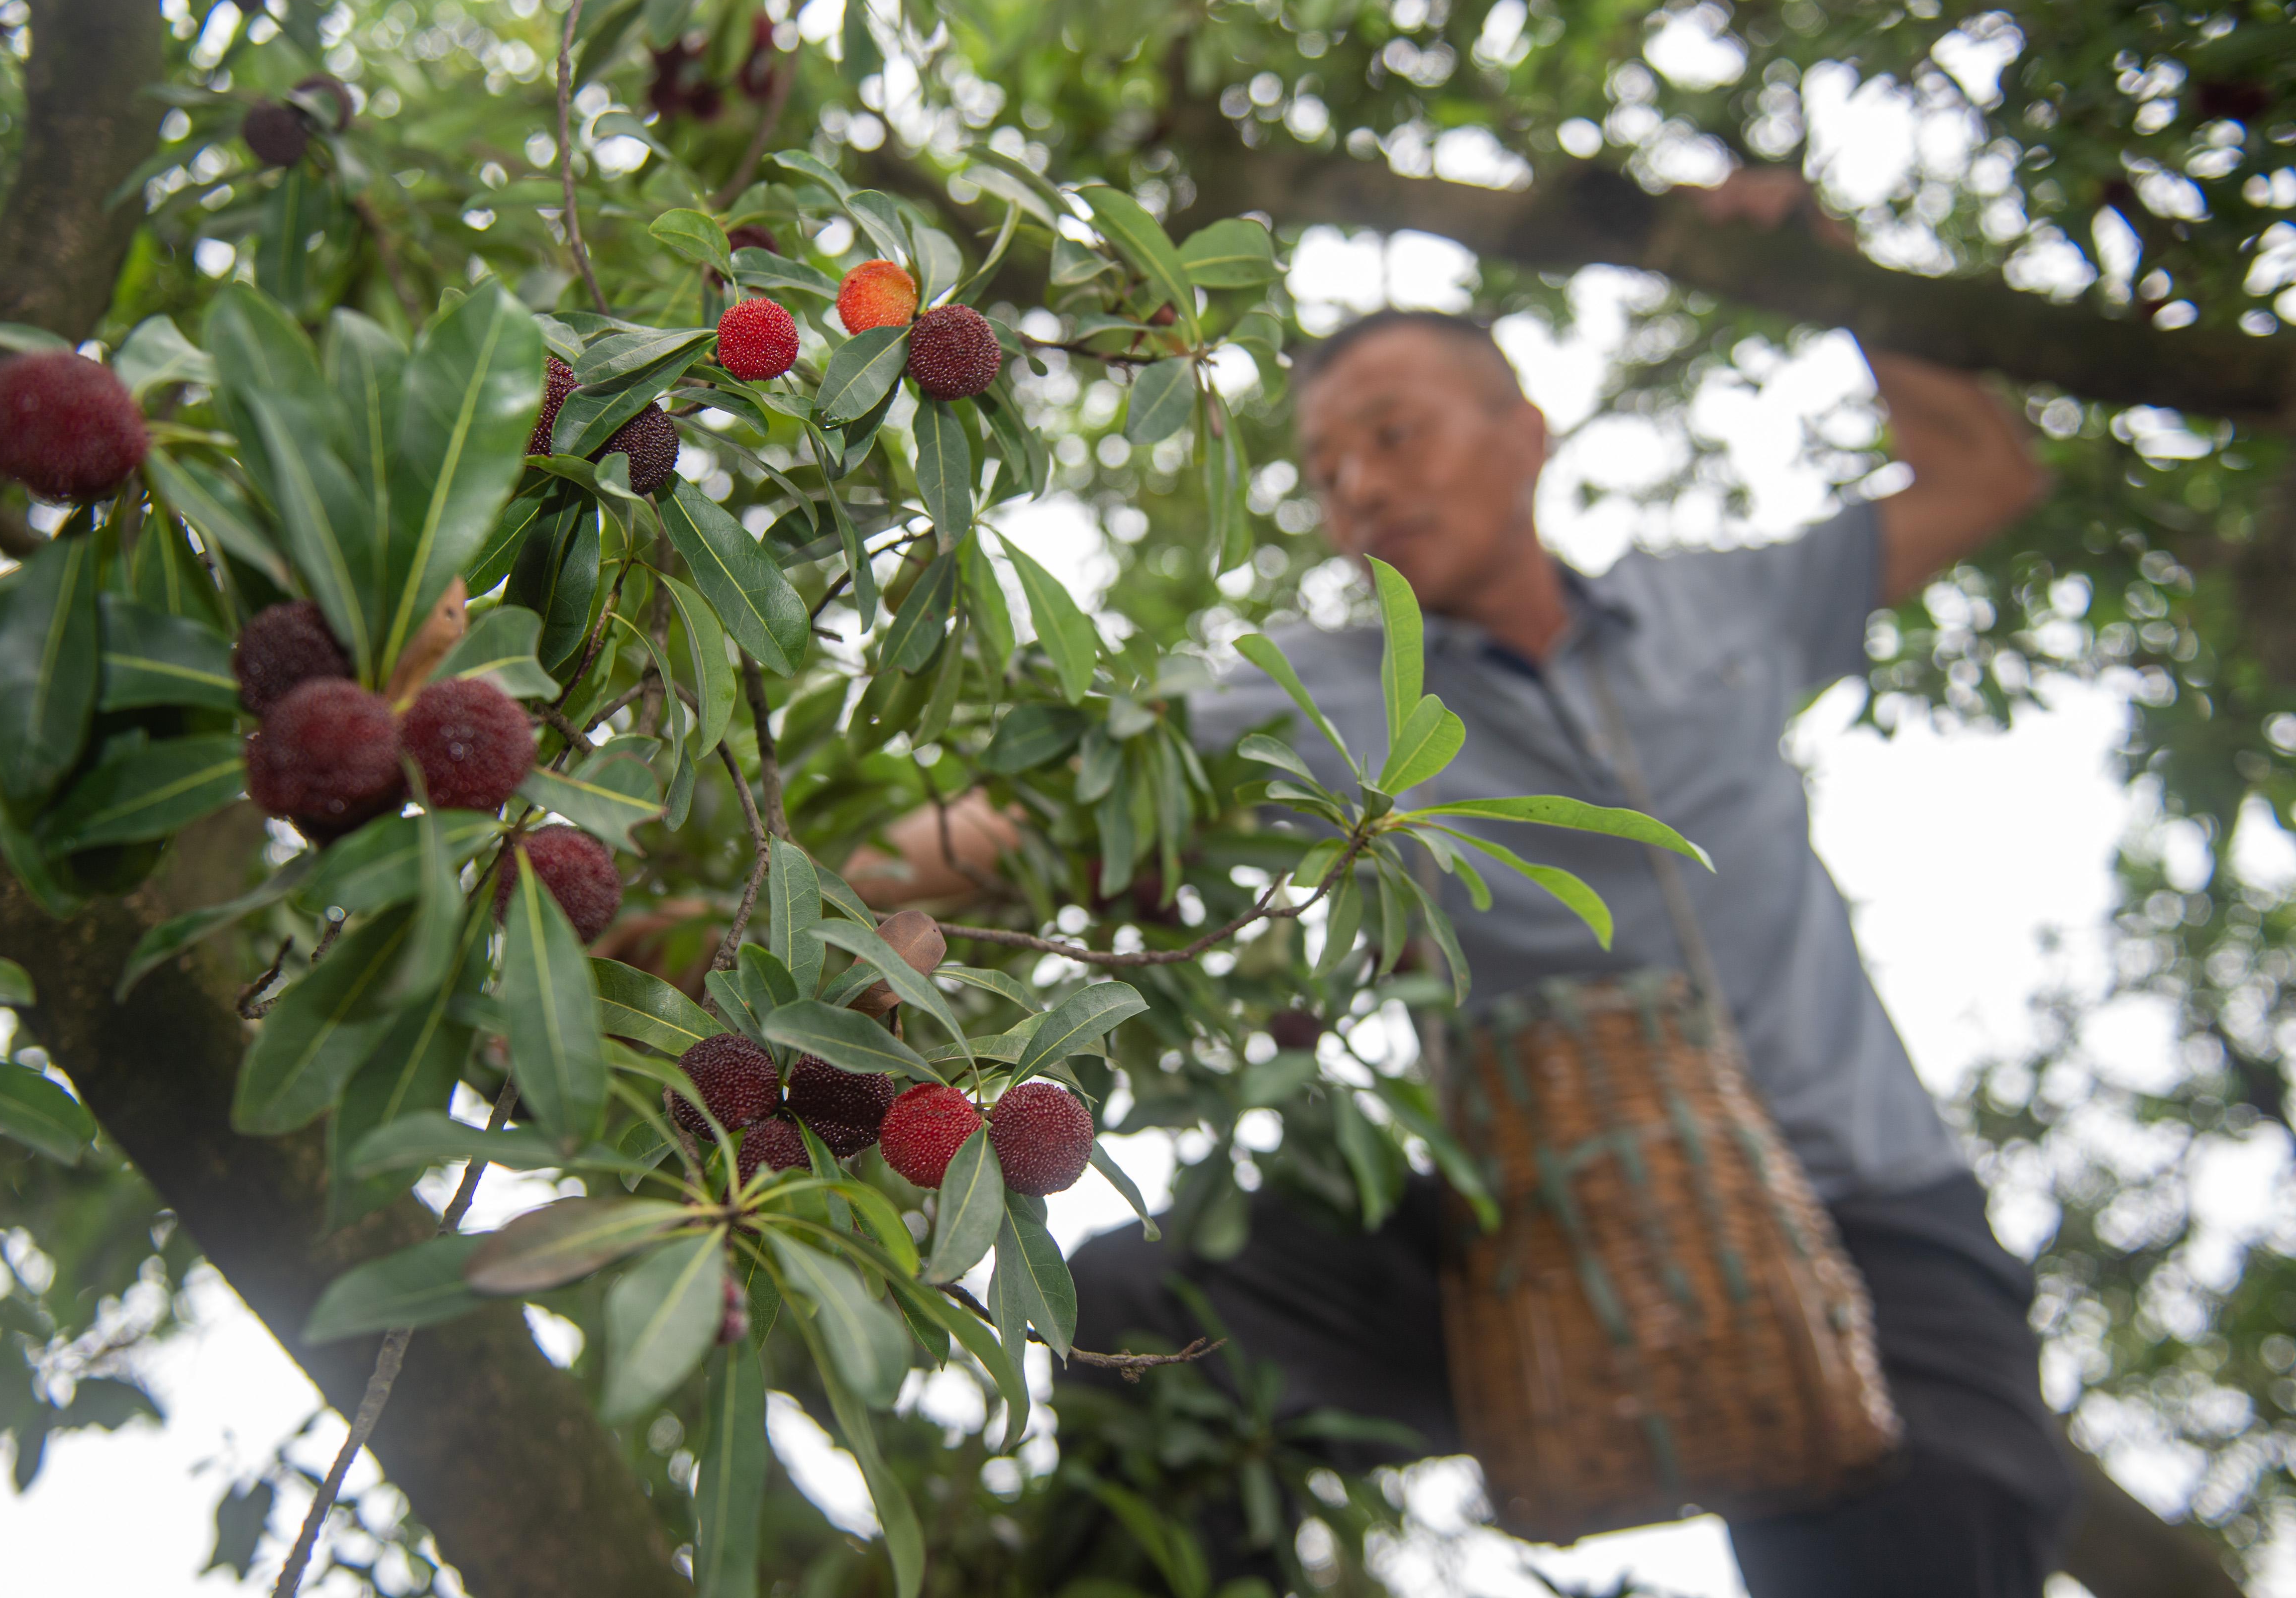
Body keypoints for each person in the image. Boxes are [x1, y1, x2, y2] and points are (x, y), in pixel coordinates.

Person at [862, 176, 2079, 1596]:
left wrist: (1822, 265)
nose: (1361, 485)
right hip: (1534, 1212)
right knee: (1144, 1303)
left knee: (1940, 1531)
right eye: (1324, 471)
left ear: (1525, 435)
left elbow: (1986, 475)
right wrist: (792, 903)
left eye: (1394, 434)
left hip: (1866, 1193)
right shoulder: (1315, 685)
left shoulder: (1720, 606)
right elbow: (1021, 803)